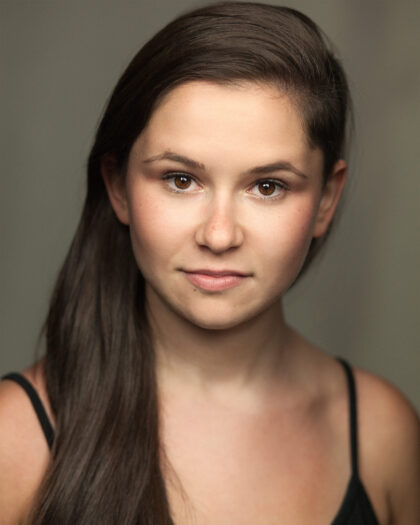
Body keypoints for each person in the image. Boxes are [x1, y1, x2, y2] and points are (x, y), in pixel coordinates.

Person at [0, 2, 419, 524]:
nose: (219, 235)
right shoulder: (13, 439)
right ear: (118, 186)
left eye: (268, 186)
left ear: (326, 199)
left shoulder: (383, 434)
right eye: (181, 180)